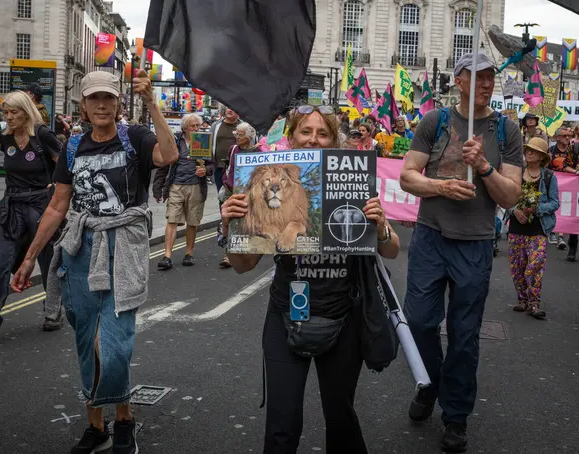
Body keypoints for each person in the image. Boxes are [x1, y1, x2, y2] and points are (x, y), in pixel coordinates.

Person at [10, 70, 178, 454]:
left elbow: (169, 154)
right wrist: (30, 257)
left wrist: (152, 101)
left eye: (109, 98)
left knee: (113, 344)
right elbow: (57, 205)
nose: (101, 105)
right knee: (88, 341)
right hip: (81, 250)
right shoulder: (73, 147)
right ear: (83, 105)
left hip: (124, 249)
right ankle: (98, 424)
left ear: (119, 103)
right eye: (93, 99)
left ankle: (125, 419)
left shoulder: (134, 137)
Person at [221, 104, 400, 454]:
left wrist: (379, 227)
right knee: (281, 428)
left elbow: (391, 249)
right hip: (287, 313)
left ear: (335, 140)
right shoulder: (266, 177)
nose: (314, 139)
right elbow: (243, 265)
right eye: (306, 131)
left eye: (323, 133)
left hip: (342, 316)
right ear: (292, 138)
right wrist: (231, 227)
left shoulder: (353, 177)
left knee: (341, 420)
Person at [399, 52, 523, 452]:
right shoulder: (434, 121)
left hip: (475, 243)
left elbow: (512, 195)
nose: (486, 83)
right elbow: (407, 176)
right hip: (431, 237)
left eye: (490, 76)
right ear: (460, 81)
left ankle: (455, 415)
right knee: (418, 323)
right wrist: (442, 187)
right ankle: (430, 384)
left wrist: (485, 167)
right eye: (477, 76)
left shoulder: (507, 130)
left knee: (465, 335)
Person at [0, 91, 64, 348]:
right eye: (5, 113)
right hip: (12, 207)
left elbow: (64, 167)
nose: (8, 117)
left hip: (41, 205)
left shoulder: (43, 136)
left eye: (13, 112)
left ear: (26, 111)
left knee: (48, 261)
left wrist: (56, 193)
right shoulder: (5, 138)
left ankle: (53, 310)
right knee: (1, 266)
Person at [508, 138, 558, 319]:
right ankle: (522, 300)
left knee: (534, 266)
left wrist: (536, 209)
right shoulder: (516, 173)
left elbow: (554, 203)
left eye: (534, 151)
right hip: (516, 229)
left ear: (542, 157)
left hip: (538, 230)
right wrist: (514, 211)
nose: (529, 152)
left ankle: (534, 302)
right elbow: (505, 197)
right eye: (528, 149)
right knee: (518, 267)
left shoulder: (549, 177)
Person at [153, 114, 212, 269]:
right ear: (185, 127)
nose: (196, 129)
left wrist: (205, 170)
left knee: (192, 222)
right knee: (172, 219)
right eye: (193, 126)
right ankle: (167, 256)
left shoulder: (202, 141)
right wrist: (158, 188)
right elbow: (165, 164)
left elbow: (212, 165)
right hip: (176, 186)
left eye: (198, 126)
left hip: (196, 186)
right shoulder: (175, 141)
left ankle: (189, 254)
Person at [218, 122, 258, 268]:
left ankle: (247, 249)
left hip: (249, 193)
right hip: (230, 191)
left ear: (249, 137)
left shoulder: (258, 151)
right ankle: (228, 254)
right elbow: (230, 167)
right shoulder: (233, 149)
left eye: (240, 135)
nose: (237, 137)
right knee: (230, 223)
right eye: (236, 134)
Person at [548, 126, 578, 253]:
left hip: (571, 186)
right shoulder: (551, 150)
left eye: (569, 136)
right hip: (555, 184)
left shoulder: (572, 148)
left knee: (568, 208)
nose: (567, 138)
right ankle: (553, 231)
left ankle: (562, 237)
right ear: (557, 137)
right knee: (556, 207)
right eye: (564, 136)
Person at [210, 106, 240, 192]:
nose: (230, 110)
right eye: (228, 107)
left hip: (237, 168)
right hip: (219, 167)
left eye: (233, 108)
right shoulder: (215, 125)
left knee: (237, 194)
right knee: (221, 194)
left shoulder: (243, 126)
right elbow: (210, 143)